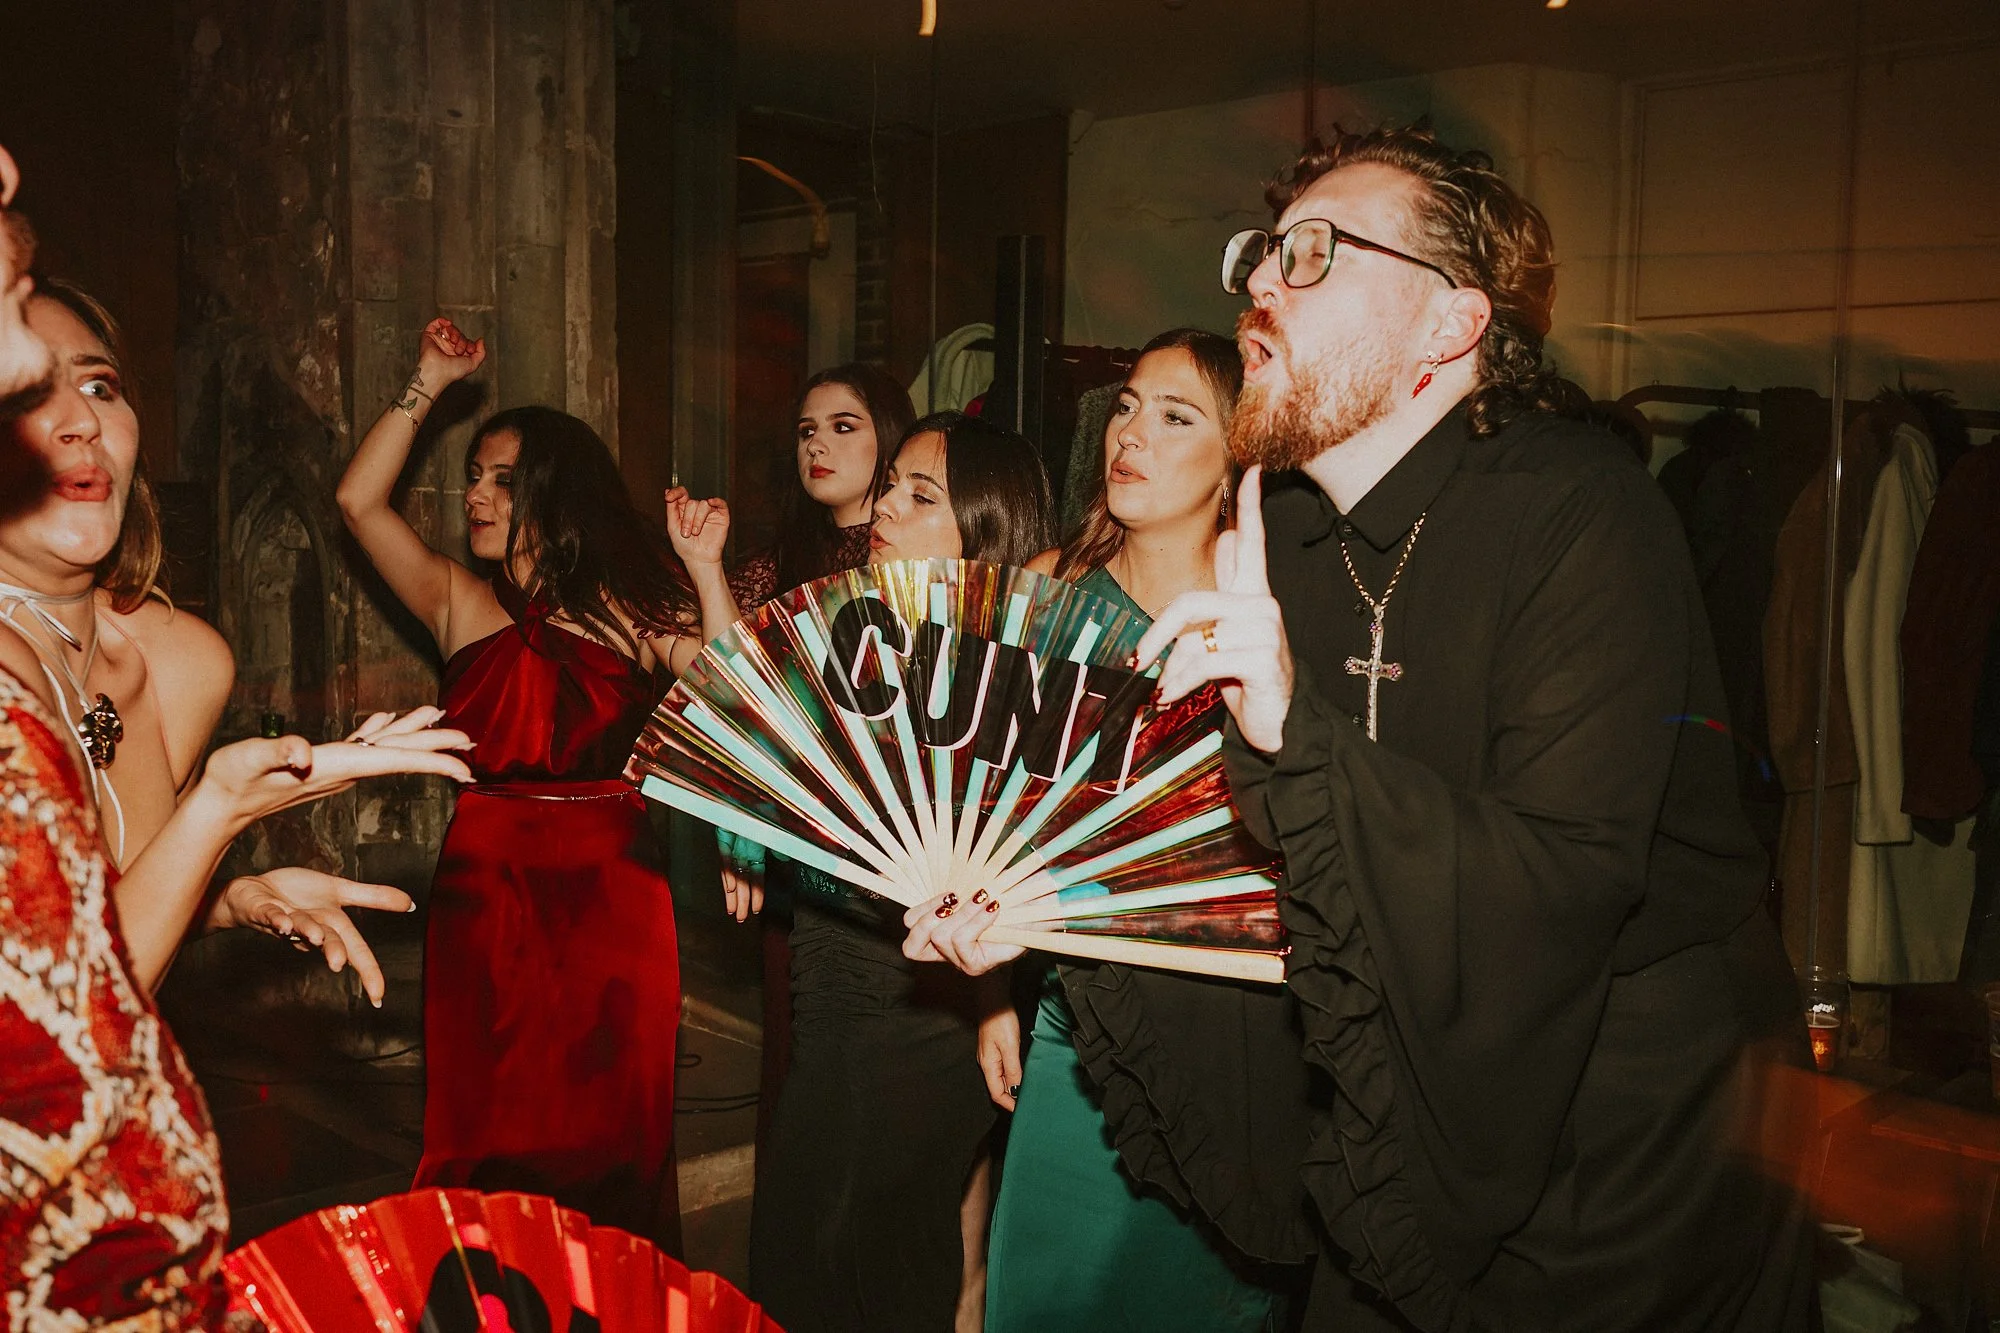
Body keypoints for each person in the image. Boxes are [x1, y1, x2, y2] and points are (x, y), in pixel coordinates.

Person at [915, 123, 1813, 1331]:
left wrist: (1301, 736)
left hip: (1625, 1143)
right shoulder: (1278, 533)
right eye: (1259, 254)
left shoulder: (1581, 512)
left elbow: (1563, 879)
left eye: (1312, 253)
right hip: (1388, 1091)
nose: (1255, 286)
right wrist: (1038, 909)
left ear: (1450, 325)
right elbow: (1254, 874)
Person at [336, 318, 701, 1247]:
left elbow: (734, 688)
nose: (478, 497)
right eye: (472, 478)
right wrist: (427, 379)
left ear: (555, 491)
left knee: (611, 1137)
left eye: (502, 479)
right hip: (488, 890)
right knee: (482, 1133)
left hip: (614, 894)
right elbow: (357, 500)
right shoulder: (456, 599)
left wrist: (702, 569)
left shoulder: (631, 607)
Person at [986, 328, 1308, 1330]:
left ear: (1237, 454)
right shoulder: (1049, 588)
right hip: (1078, 1020)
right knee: (1039, 1302)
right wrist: (991, 996)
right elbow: (1000, 810)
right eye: (1125, 405)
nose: (1130, 433)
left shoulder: (1268, 614)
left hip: (1238, 1034)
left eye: (1174, 417)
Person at [745, 411, 1053, 1333]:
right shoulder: (862, 643)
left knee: (863, 1247)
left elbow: (1015, 865)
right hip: (829, 969)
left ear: (983, 534)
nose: (885, 505)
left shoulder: (1005, 673)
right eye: (892, 486)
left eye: (923, 496)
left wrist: (994, 998)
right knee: (810, 1239)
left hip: (918, 996)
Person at [713, 363, 915, 1157]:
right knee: (797, 1074)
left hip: (893, 870)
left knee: (880, 1096)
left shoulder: (919, 553)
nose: (819, 445)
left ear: (889, 439)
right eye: (806, 431)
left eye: (844, 426)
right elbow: (733, 696)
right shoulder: (771, 568)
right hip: (795, 858)